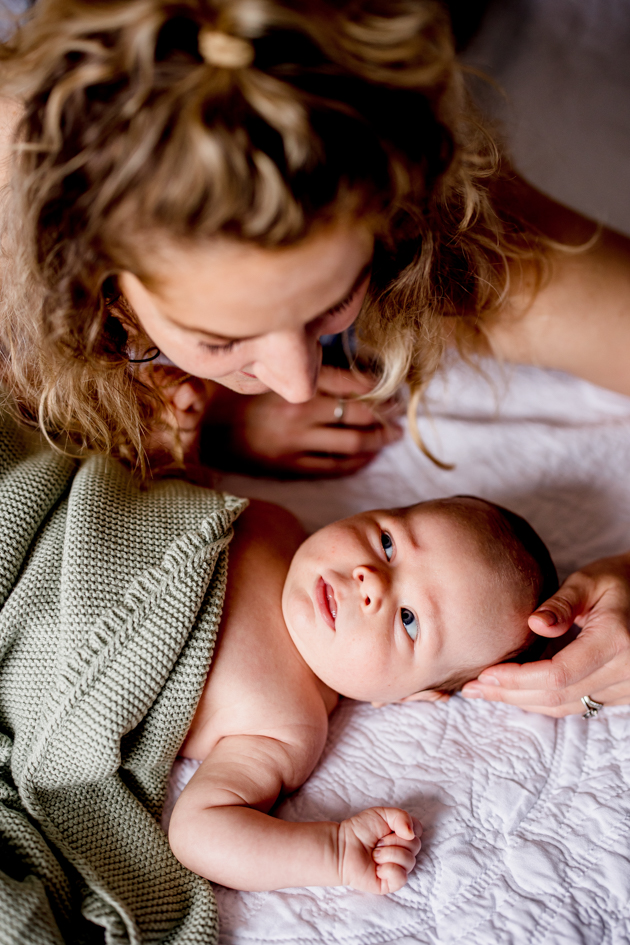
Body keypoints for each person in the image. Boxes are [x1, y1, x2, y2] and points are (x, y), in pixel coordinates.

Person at [0, 0, 628, 719]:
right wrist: (206, 420)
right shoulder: (20, 201)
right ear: (92, 283)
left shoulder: (450, 228)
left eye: (333, 300)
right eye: (222, 338)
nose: (297, 381)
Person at [167, 495, 557, 892]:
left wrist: (335, 852)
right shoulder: (272, 522)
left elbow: (198, 830)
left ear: (408, 696)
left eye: (409, 621)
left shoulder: (285, 725)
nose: (372, 580)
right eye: (388, 544)